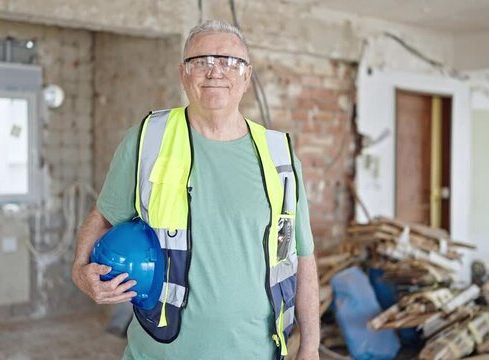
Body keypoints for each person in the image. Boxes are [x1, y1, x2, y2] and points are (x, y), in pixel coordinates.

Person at [72, 20, 320, 360]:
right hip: (159, 353)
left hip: (257, 352)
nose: (214, 71)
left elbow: (302, 256)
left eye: (229, 62)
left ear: (247, 77)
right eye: (201, 61)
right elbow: (104, 215)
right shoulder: (147, 140)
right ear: (183, 74)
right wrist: (79, 271)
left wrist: (311, 346)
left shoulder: (280, 156)